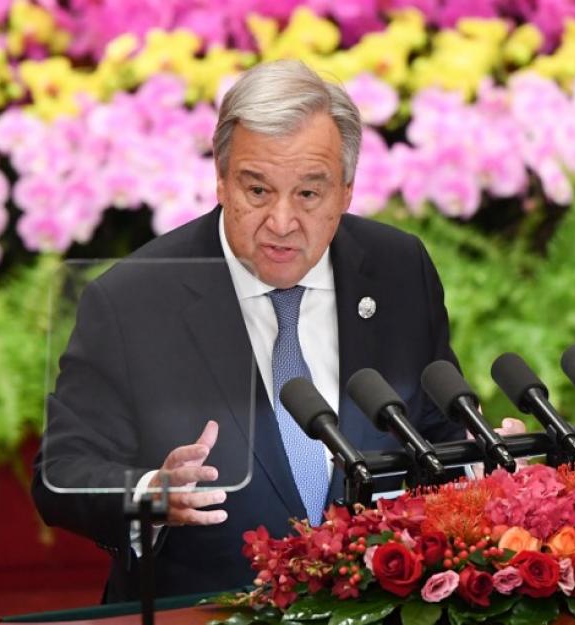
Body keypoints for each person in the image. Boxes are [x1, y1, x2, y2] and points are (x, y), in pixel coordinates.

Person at [31, 60, 521, 603]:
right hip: (203, 614)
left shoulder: (398, 269)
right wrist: (150, 492)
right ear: (220, 179)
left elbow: (431, 429)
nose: (282, 222)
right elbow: (63, 471)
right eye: (257, 191)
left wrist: (483, 461)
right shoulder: (132, 299)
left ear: (346, 192)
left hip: (378, 607)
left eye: (309, 194)